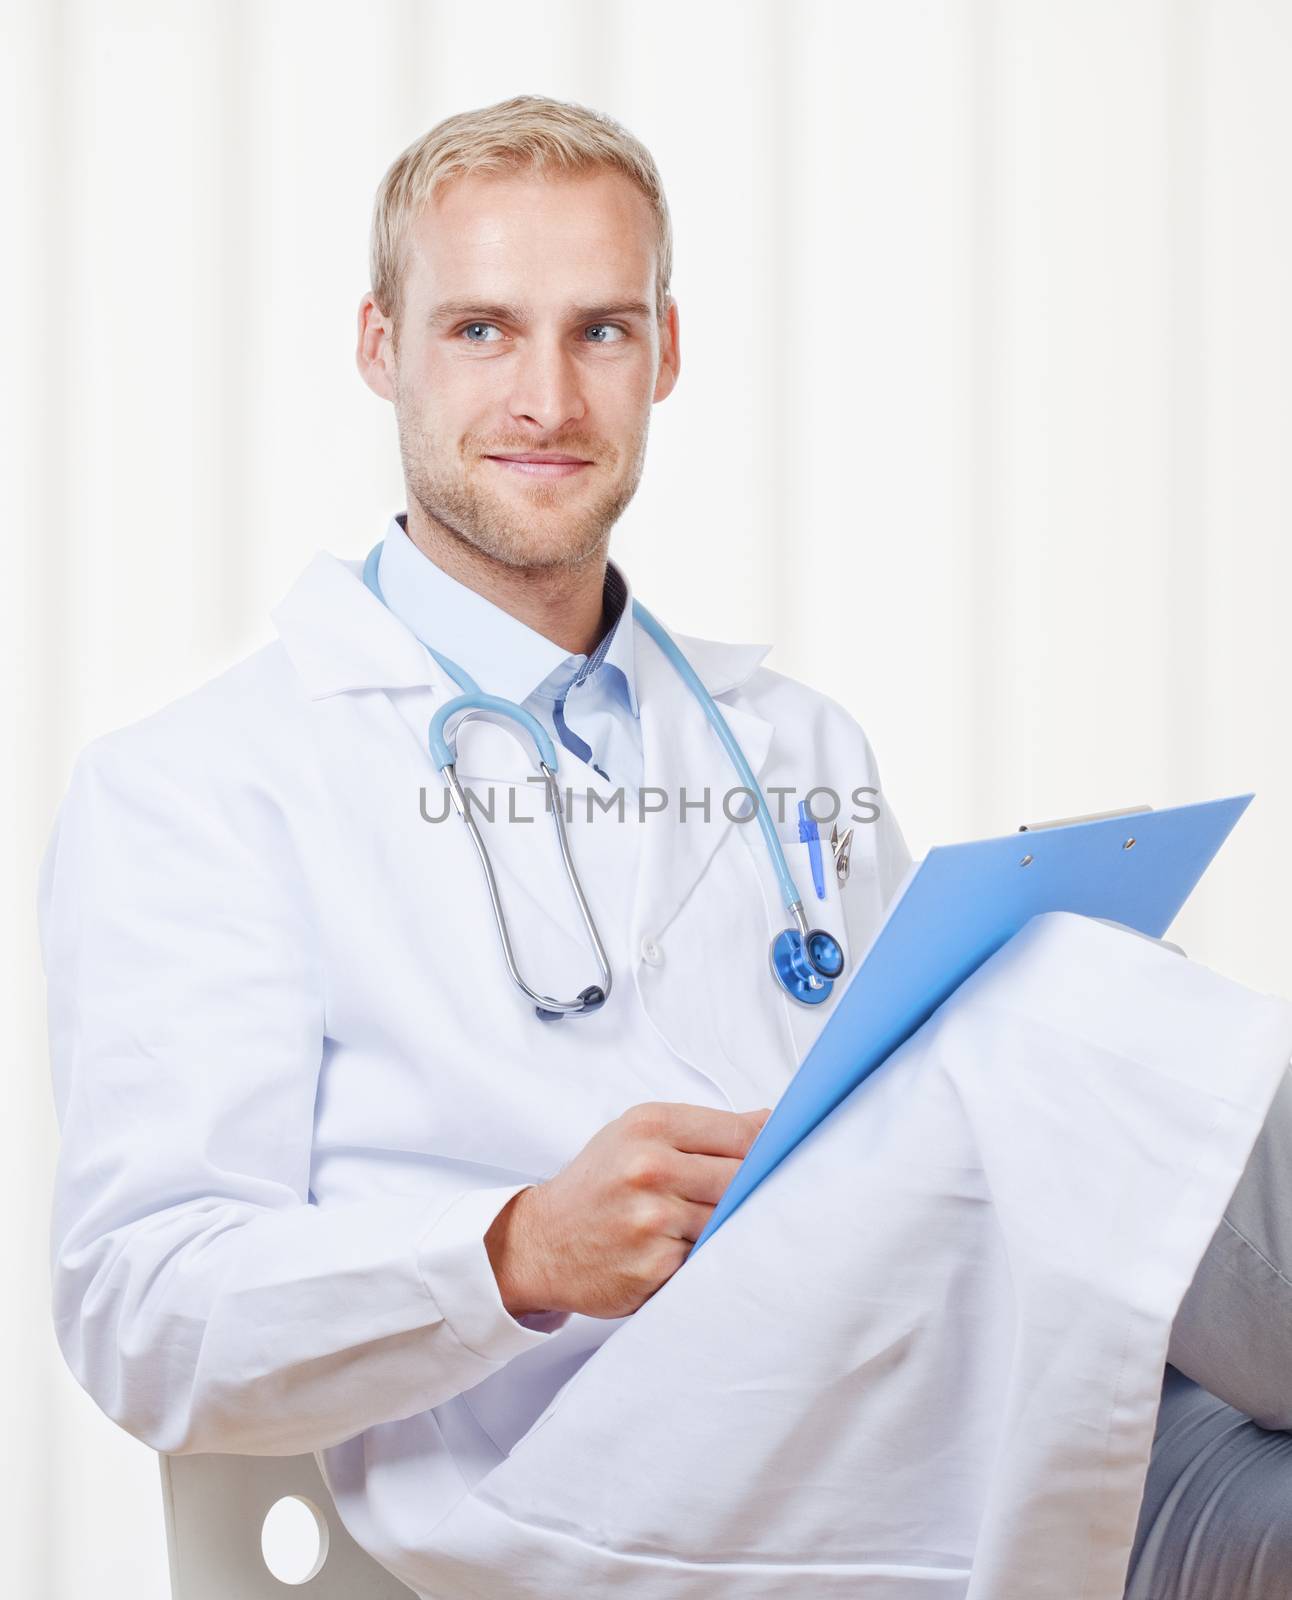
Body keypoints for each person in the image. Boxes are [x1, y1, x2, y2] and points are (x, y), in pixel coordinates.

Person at [37, 94, 1292, 1599]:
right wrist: (513, 1252)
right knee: (1051, 1027)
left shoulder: (793, 747)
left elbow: (912, 1138)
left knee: (1046, 1023)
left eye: (602, 333)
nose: (549, 400)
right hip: (599, 1480)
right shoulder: (199, 787)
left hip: (979, 1425)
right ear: (381, 347)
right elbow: (142, 1309)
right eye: (483, 331)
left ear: (668, 352)